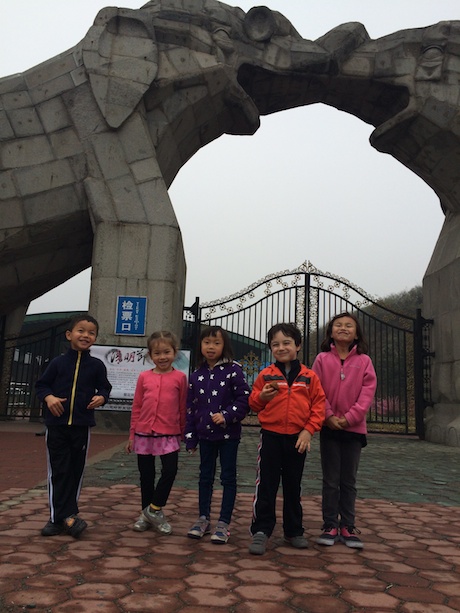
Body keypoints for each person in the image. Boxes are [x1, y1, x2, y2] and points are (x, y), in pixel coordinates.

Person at [248, 322, 326, 555]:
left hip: (297, 439)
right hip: (271, 437)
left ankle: (294, 530)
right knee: (267, 486)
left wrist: (308, 430)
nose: (281, 348)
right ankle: (261, 530)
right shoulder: (266, 374)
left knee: (293, 485)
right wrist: (261, 396)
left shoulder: (310, 376)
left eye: (286, 343)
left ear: (298, 345)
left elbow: (319, 407)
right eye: (275, 344)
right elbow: (253, 403)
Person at [35, 314, 112, 538]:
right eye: (81, 331)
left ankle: (66, 517)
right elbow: (41, 386)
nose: (85, 335)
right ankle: (58, 518)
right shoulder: (58, 363)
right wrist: (49, 398)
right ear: (69, 335)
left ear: (95, 338)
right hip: (56, 426)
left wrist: (102, 398)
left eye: (91, 332)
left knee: (75, 471)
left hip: (81, 426)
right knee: (58, 471)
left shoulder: (97, 365)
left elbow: (104, 388)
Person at [312, 312, 377, 549]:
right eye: (338, 325)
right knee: (331, 480)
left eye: (349, 325)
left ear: (357, 333)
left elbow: (367, 393)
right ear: (330, 332)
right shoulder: (321, 359)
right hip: (329, 428)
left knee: (348, 480)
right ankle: (329, 524)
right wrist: (328, 416)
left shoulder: (364, 361)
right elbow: (316, 389)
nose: (343, 328)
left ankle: (348, 526)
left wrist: (350, 418)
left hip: (354, 429)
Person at [185, 326, 250, 544]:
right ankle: (203, 518)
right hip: (204, 437)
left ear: (225, 346)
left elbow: (244, 400)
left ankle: (224, 522)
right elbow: (190, 408)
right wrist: (190, 437)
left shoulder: (234, 371)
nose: (211, 347)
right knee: (205, 477)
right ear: (200, 346)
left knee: (227, 477)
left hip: (228, 436)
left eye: (216, 343)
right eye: (207, 343)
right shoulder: (196, 375)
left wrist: (226, 415)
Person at [126, 331, 187, 535]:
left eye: (167, 352)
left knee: (170, 471)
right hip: (144, 432)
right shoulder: (144, 377)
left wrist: (183, 433)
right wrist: (132, 435)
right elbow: (137, 406)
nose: (162, 357)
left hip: (169, 432)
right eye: (157, 353)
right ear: (150, 355)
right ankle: (146, 515)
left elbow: (182, 407)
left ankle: (153, 510)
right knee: (146, 475)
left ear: (174, 353)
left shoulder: (180, 378)